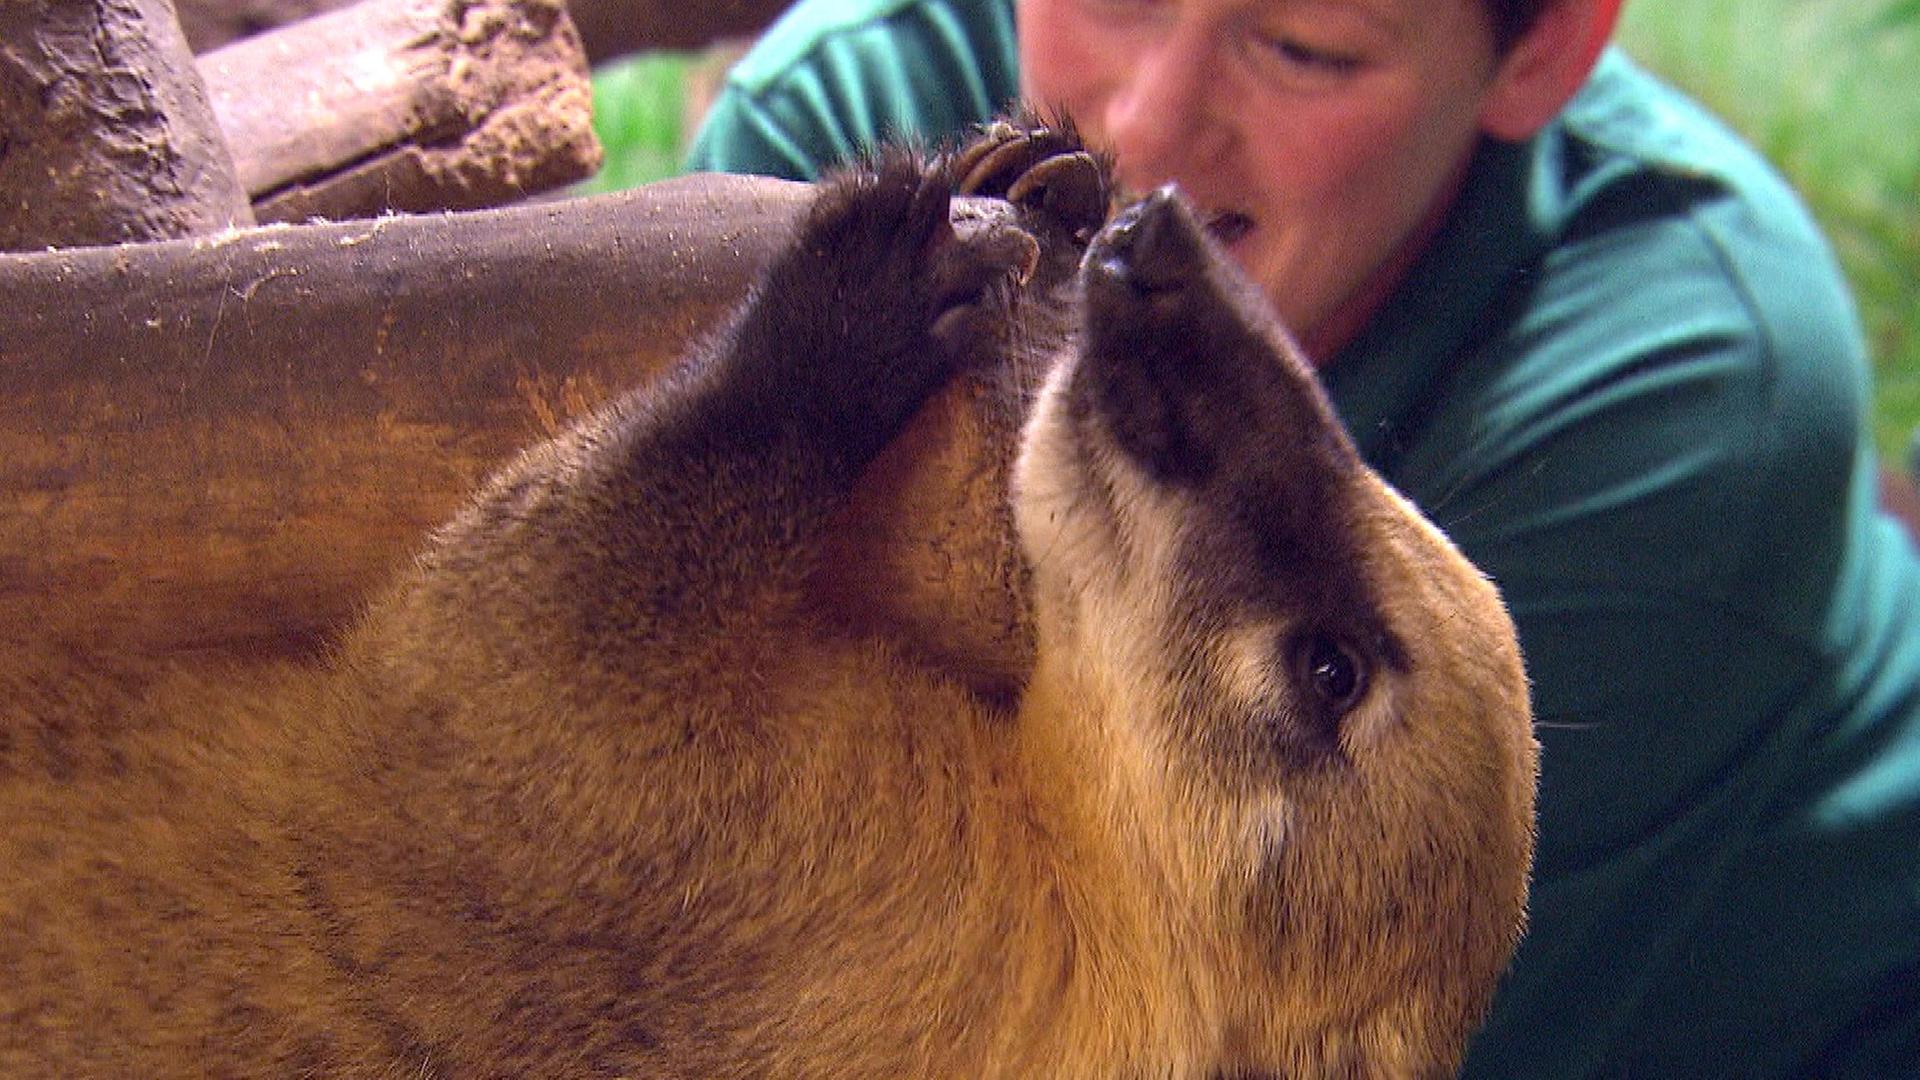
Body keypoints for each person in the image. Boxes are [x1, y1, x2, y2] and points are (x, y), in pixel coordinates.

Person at [679, 0, 1920, 1074]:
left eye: (1305, 48)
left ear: (1543, 44)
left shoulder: (1683, 406)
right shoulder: (841, 117)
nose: (1149, 130)